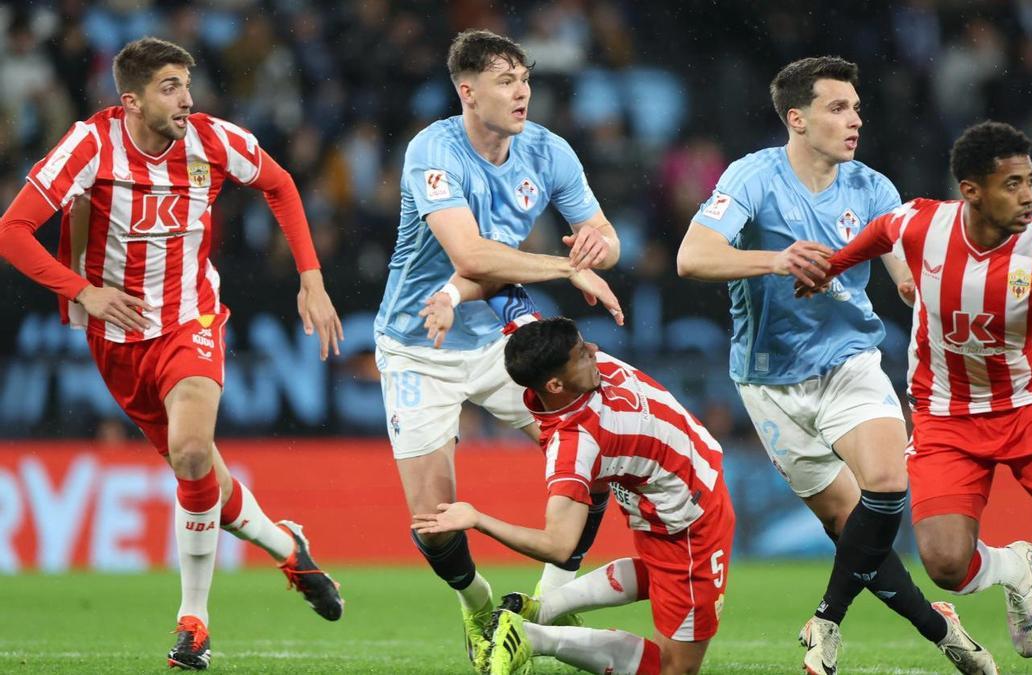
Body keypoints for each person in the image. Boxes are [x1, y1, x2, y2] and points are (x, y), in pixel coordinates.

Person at [0, 37, 344, 670]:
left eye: (187, 84)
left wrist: (311, 278)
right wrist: (83, 292)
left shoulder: (215, 140)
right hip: (117, 337)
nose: (187, 99)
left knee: (189, 452)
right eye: (169, 87)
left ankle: (194, 622)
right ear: (129, 100)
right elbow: (12, 231)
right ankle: (286, 544)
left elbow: (281, 183)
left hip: (192, 318)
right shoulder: (91, 145)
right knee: (202, 473)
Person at [675, 56, 994, 674]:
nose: (856, 119)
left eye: (857, 107)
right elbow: (693, 255)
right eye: (838, 108)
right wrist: (777, 259)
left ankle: (826, 621)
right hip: (769, 381)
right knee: (855, 534)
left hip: (850, 362)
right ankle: (942, 628)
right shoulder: (752, 177)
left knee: (886, 486)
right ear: (797, 118)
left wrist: (932, 289)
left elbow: (906, 279)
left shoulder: (873, 189)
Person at [807, 120, 1032, 675]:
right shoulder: (924, 223)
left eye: (1030, 181)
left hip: (1030, 410)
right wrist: (835, 263)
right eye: (1012, 184)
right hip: (945, 415)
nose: (1029, 196)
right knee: (946, 563)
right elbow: (881, 231)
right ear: (971, 191)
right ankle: (1014, 569)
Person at [374, 29, 622, 671]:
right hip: (416, 346)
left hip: (496, 339)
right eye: (506, 81)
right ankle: (481, 605)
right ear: (468, 91)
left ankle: (540, 610)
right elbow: (470, 255)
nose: (521, 93)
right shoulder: (434, 149)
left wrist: (594, 246)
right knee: (435, 524)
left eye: (525, 80)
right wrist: (567, 268)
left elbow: (605, 236)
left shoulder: (549, 150)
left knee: (596, 450)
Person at [414, 316, 734, 675]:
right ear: (554, 384)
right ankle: (532, 638)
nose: (596, 352)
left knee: (662, 571)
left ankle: (542, 609)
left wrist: (573, 274)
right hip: (688, 515)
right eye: (582, 354)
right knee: (676, 669)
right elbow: (558, 545)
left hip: (664, 493)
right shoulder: (575, 445)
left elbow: (509, 304)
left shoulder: (549, 353)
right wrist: (477, 519)